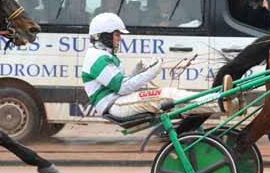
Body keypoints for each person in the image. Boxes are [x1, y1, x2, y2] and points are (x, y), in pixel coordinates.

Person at [82, 12, 220, 119]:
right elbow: (122, 87)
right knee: (166, 95)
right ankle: (217, 102)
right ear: (103, 35)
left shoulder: (102, 54)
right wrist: (150, 72)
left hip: (118, 101)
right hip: (114, 105)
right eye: (117, 34)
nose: (119, 39)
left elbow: (121, 83)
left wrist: (138, 71)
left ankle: (214, 100)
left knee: (169, 95)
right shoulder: (97, 58)